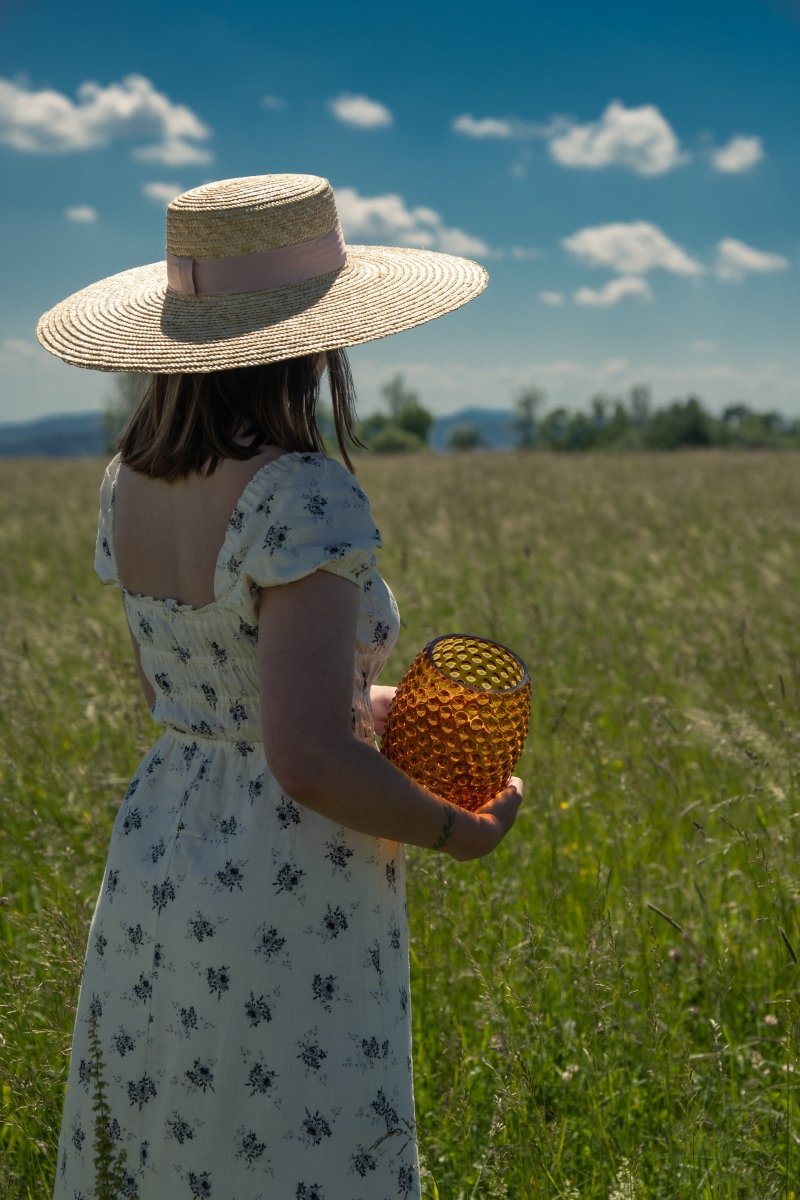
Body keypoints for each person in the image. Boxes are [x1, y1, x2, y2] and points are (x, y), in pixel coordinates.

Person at [37, 173, 523, 1200]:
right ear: (315, 340)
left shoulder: (128, 477)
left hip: (163, 846)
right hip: (283, 878)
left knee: (180, 1131)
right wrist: (453, 829)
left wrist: (367, 712)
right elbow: (303, 760)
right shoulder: (301, 490)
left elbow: (197, 702)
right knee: (298, 1143)